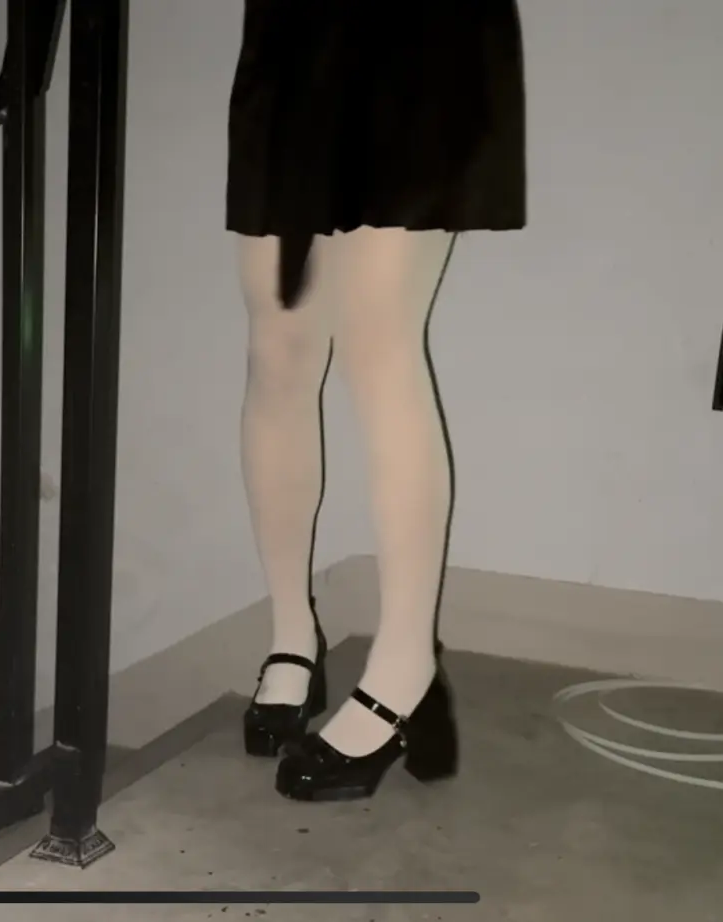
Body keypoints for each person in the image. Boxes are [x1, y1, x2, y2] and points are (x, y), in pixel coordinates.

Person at [226, 0, 527, 802]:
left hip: (416, 32)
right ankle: (293, 632)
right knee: (278, 344)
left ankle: (404, 667)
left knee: (378, 341)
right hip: (295, 35)